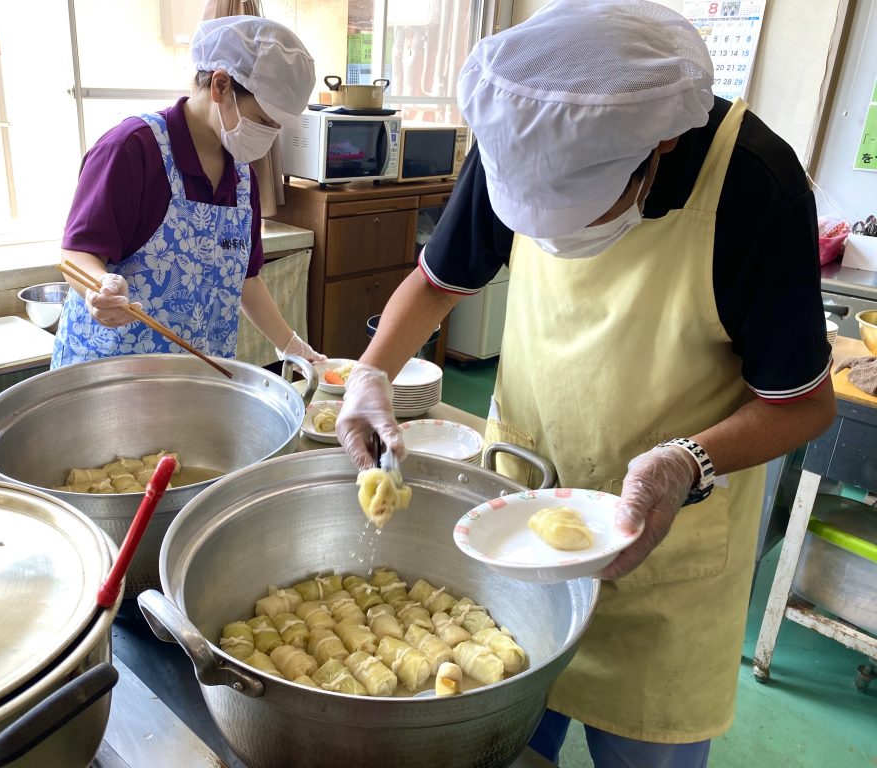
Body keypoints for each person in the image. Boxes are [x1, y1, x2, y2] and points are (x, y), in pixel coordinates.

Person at [336, 2, 836, 766]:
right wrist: (372, 373)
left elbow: (803, 403)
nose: (551, 243)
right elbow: (438, 281)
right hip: (521, 512)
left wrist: (684, 464)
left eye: (577, 215)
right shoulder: (521, 129)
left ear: (659, 143)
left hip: (667, 552)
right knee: (496, 734)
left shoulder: (756, 190)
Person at [52, 15, 324, 368]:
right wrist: (99, 287)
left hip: (193, 380)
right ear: (221, 86)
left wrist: (291, 345)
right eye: (264, 119)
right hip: (110, 376)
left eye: (278, 126)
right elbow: (75, 253)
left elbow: (246, 279)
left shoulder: (242, 178)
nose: (270, 135)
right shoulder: (133, 150)